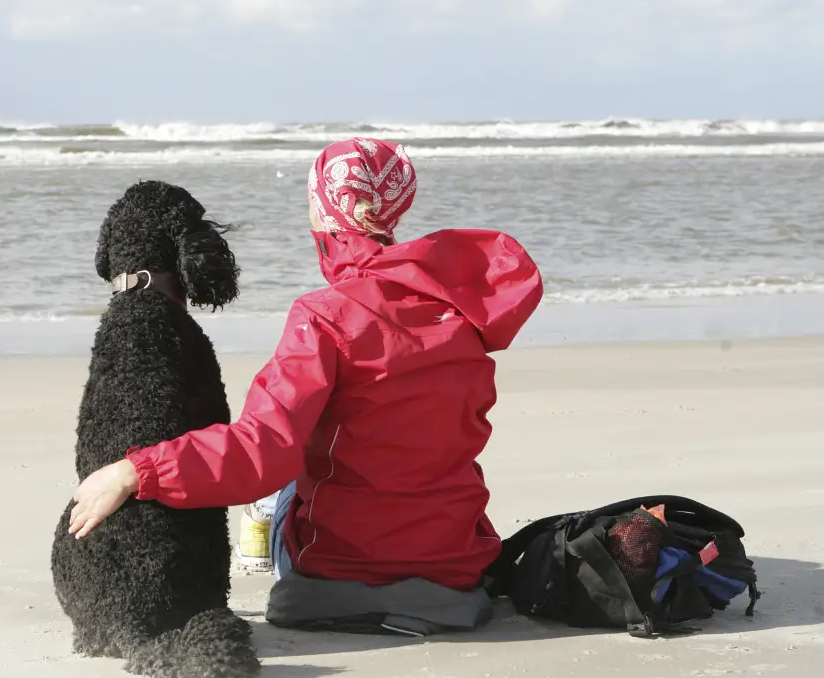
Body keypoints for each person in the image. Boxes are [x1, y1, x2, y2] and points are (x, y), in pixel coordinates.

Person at [70, 137, 543, 636]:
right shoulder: (461, 317)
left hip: (345, 569)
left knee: (279, 483)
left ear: (321, 209)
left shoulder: (323, 316)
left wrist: (135, 471)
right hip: (455, 562)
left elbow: (261, 451)